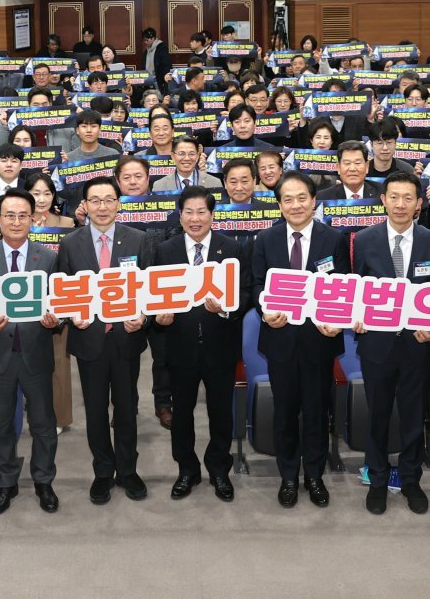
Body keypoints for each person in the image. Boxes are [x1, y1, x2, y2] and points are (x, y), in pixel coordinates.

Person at [350, 170, 430, 515]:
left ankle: (410, 479)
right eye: (394, 197)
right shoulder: (363, 240)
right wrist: (355, 317)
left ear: (419, 204)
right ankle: (377, 479)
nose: (400, 204)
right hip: (376, 344)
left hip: (417, 345)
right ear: (383, 200)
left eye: (408, 198)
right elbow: (355, 289)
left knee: (412, 416)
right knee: (378, 415)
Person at [253, 170, 349, 508]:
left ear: (314, 201)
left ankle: (315, 476)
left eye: (302, 198)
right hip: (280, 340)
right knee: (285, 412)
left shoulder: (334, 239)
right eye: (288, 199)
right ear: (279, 205)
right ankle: (289, 476)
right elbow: (256, 285)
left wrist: (337, 319)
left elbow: (343, 287)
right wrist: (265, 311)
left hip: (319, 342)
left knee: (316, 412)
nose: (296, 205)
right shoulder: (265, 240)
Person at [152, 185, 250, 502]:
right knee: (182, 414)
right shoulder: (165, 251)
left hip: (220, 346)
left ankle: (219, 469)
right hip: (179, 348)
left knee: (221, 413)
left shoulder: (231, 249)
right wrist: (158, 316)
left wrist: (227, 308)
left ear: (212, 215)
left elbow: (246, 292)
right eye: (189, 212)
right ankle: (188, 469)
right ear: (180, 216)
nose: (195, 219)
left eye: (202, 212)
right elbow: (152, 295)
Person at [57, 178, 151, 504]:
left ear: (118, 203)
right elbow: (62, 291)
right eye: (94, 200)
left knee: (126, 409)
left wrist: (144, 316)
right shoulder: (70, 244)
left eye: (108, 199)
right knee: (96, 411)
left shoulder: (139, 240)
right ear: (84, 206)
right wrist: (71, 316)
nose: (102, 207)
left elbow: (150, 292)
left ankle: (127, 470)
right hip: (89, 340)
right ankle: (102, 472)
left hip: (126, 339)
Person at [154, 135, 220, 192]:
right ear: (173, 156)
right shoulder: (159, 186)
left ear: (197, 156)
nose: (187, 158)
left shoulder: (214, 183)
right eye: (181, 154)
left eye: (191, 154)